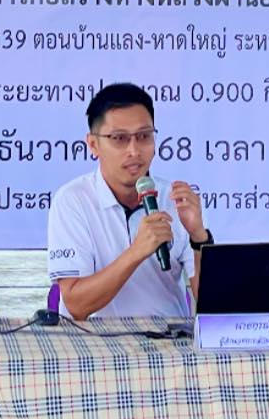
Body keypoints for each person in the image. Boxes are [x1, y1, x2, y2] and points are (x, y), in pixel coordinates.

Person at [46, 82, 213, 320]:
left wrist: (199, 237)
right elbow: (76, 304)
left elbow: (213, 304)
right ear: (93, 144)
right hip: (95, 339)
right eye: (119, 138)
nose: (134, 151)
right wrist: (136, 251)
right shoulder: (73, 200)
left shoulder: (176, 199)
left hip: (169, 337)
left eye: (144, 136)